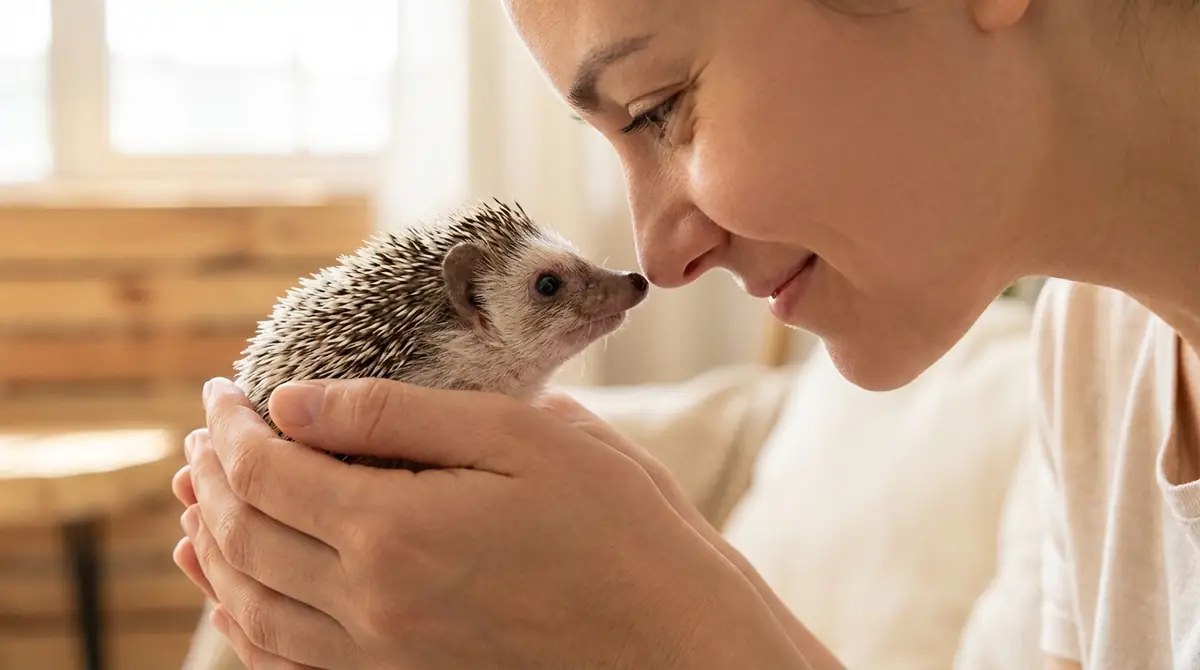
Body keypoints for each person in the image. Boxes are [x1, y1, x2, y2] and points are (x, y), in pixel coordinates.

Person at [170, 0, 1200, 667]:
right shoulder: (1093, 351)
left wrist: (667, 636)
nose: (657, 260)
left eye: (660, 108)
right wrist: (675, 586)